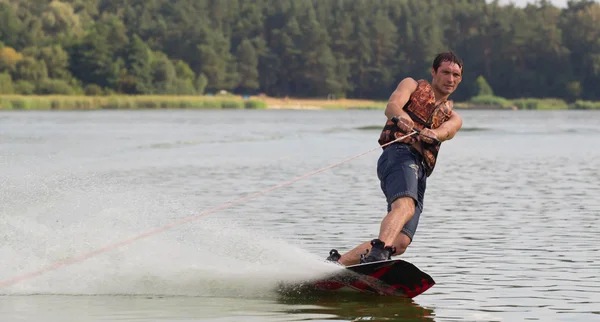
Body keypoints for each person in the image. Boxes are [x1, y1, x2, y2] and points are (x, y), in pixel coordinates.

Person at [327, 52, 464, 265]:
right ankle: (378, 253)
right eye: (446, 72)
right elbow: (392, 106)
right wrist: (405, 120)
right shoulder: (411, 85)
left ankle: (338, 264)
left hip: (420, 171)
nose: (450, 79)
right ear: (434, 72)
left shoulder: (454, 117)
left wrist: (433, 134)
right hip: (399, 155)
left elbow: (447, 130)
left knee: (400, 242)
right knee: (405, 206)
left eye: (456, 75)